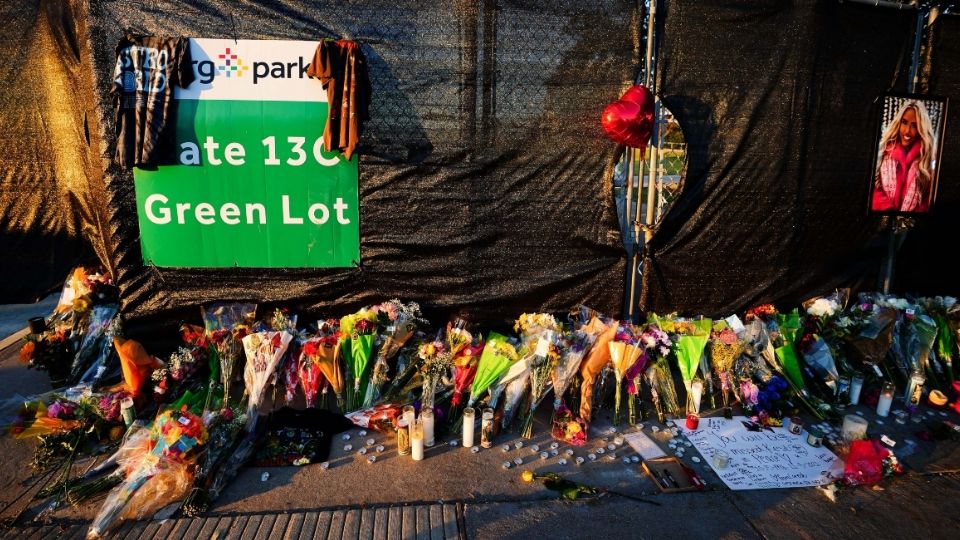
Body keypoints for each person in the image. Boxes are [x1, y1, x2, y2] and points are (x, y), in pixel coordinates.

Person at [871, 100, 937, 213]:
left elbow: (927, 200)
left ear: (921, 129)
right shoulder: (883, 152)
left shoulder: (927, 159)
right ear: (898, 123)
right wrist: (886, 209)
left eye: (914, 126)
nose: (907, 131)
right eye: (904, 122)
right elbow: (873, 188)